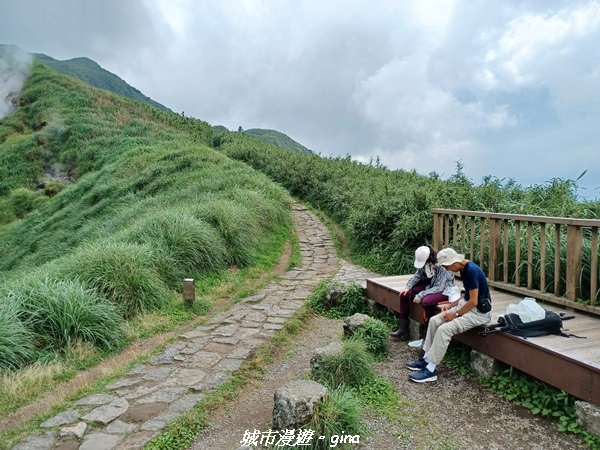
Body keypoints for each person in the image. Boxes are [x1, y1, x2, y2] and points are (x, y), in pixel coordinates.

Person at [406, 247, 492, 383]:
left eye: (446, 266)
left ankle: (431, 370)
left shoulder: (471, 271)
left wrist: (456, 314)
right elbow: (467, 296)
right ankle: (426, 359)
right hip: (466, 305)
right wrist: (450, 306)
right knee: (434, 321)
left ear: (454, 262)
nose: (446, 270)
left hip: (479, 313)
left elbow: (474, 301)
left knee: (444, 329)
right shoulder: (464, 269)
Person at [389, 245, 456, 338]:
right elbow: (417, 275)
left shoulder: (442, 265)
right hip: (430, 286)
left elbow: (439, 287)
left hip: (444, 290)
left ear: (429, 257)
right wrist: (408, 287)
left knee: (426, 301)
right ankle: (403, 328)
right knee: (404, 295)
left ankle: (427, 335)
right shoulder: (426, 264)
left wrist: (421, 295)